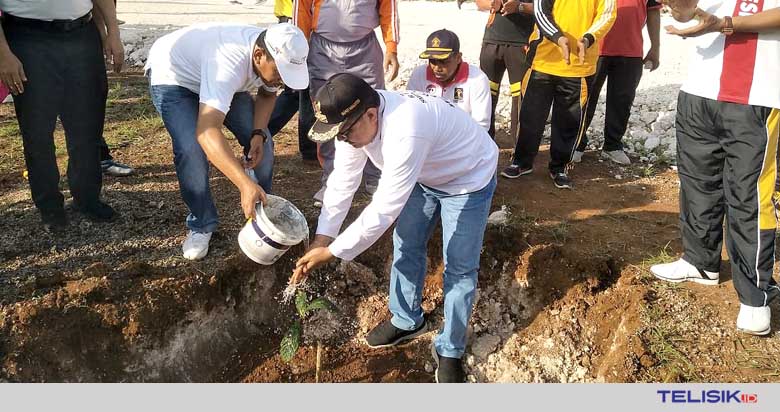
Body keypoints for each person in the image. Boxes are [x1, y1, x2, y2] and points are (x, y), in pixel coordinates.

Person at [291, 73, 498, 383]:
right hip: (425, 174)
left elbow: (384, 208)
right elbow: (343, 182)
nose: (343, 140)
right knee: (407, 242)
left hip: (468, 177)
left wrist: (332, 253)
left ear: (372, 115)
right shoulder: (352, 123)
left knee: (459, 266)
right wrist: (321, 240)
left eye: (344, 134)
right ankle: (407, 319)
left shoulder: (406, 130)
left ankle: (450, 349)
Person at [650, 1, 780, 336]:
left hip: (757, 94)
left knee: (748, 195)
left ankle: (755, 296)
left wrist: (725, 23)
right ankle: (699, 262)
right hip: (699, 90)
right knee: (697, 182)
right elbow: (687, 12)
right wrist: (682, 9)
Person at [144, 22, 309, 260]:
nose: (283, 81)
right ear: (258, 55)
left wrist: (258, 133)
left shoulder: (270, 56)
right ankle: (201, 224)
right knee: (191, 150)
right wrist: (243, 183)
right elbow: (207, 130)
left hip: (217, 77)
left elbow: (267, 92)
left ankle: (262, 211)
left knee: (266, 145)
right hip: (175, 78)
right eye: (281, 74)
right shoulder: (227, 64)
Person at [0, 0, 124, 233]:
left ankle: (87, 198)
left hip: (81, 34)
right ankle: (49, 206)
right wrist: (3, 54)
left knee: (87, 124)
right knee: (38, 130)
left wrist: (112, 32)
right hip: (27, 39)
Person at [294, 0, 401, 205]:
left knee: (374, 109)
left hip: (365, 49)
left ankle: (376, 177)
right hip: (322, 49)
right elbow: (301, 10)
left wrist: (391, 48)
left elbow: (389, 8)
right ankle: (331, 181)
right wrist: (299, 48)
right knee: (326, 113)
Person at [500, 0, 616, 190]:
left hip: (580, 66)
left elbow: (607, 15)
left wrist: (588, 38)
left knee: (570, 121)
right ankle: (521, 162)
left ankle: (560, 167)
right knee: (530, 116)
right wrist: (558, 38)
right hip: (542, 61)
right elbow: (540, 10)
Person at [572, 0, 661, 165]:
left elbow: (653, 11)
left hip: (631, 49)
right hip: (594, 48)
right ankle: (576, 144)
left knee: (622, 100)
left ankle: (612, 146)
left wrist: (655, 47)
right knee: (585, 97)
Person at [406, 29, 492, 130]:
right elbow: (409, 111)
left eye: (444, 61)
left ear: (458, 57)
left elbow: (481, 125)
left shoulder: (477, 79)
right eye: (432, 61)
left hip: (463, 139)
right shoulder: (419, 74)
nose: (437, 68)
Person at [475, 0, 535, 138]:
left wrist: (520, 7)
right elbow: (479, 3)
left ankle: (519, 149)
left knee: (520, 96)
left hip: (521, 43)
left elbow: (546, 8)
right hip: (491, 41)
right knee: (486, 92)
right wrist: (490, 3)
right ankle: (484, 141)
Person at [92, 4, 135, 177]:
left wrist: (108, 33)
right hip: (33, 32)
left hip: (82, 30)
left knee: (91, 99)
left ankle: (99, 157)